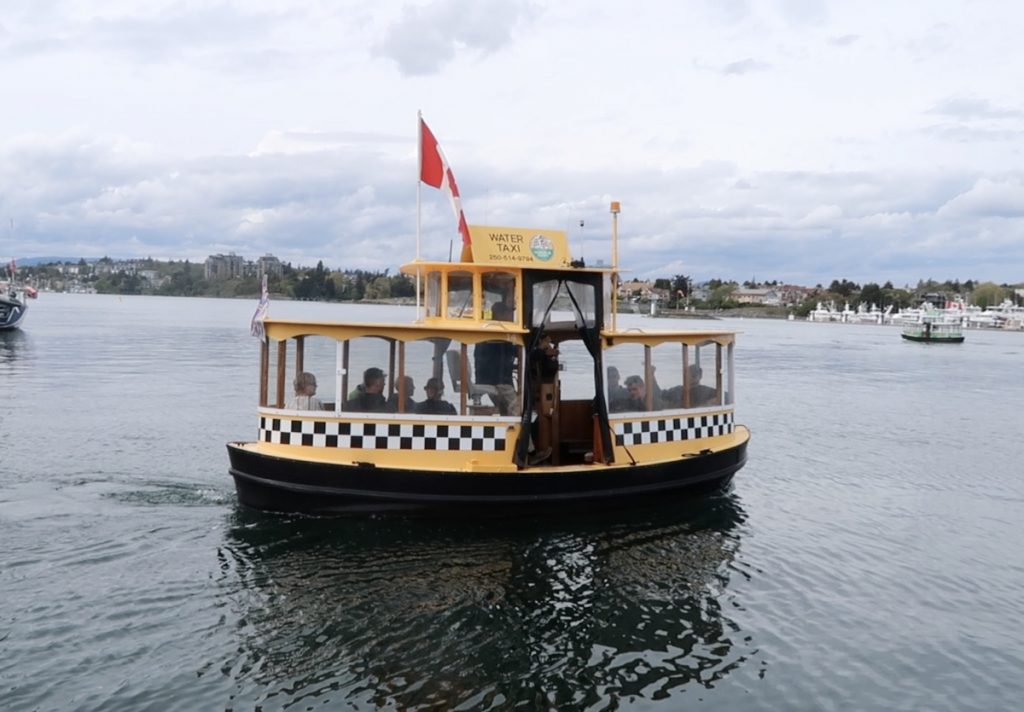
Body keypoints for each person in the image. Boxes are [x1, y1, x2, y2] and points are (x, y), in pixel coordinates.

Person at [474, 300, 519, 415]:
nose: (511, 316)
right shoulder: (499, 333)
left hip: (485, 379)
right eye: (508, 313)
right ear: (501, 315)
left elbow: (494, 358)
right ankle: (516, 430)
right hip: (498, 381)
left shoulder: (487, 330)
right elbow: (513, 352)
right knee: (517, 408)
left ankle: (505, 427)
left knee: (504, 408)